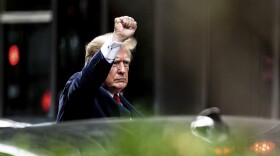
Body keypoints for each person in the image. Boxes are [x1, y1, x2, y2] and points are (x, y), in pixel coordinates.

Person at [56, 16, 143, 122]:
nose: (122, 70)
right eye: (115, 63)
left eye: (125, 63)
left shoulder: (127, 107)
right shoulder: (82, 91)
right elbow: (87, 80)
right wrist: (116, 40)